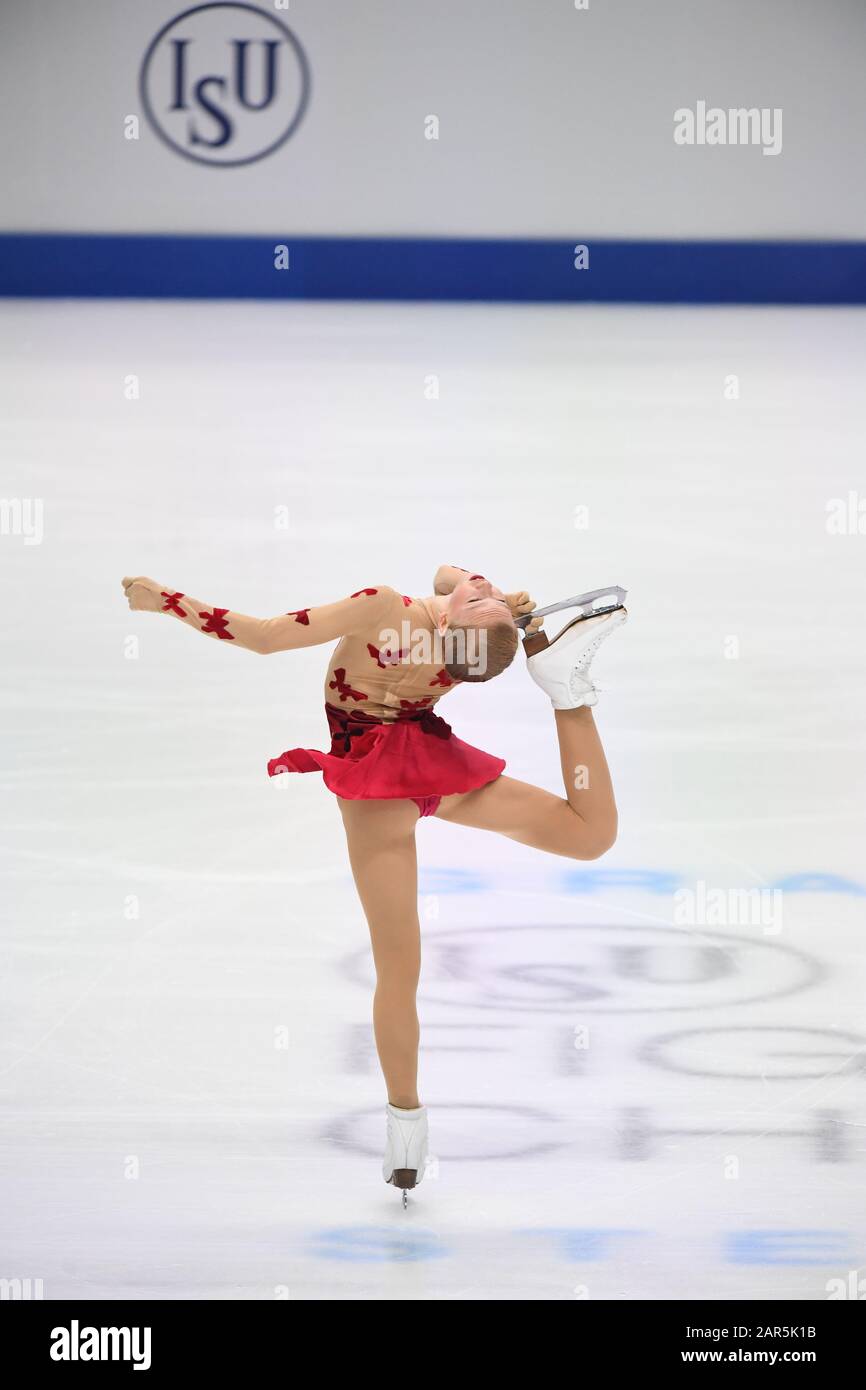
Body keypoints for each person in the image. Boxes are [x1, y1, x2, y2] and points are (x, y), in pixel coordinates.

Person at [122, 563, 626, 1204]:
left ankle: (566, 693)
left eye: (488, 601)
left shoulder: (389, 608)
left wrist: (163, 600)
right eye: (486, 595)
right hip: (394, 779)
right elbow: (447, 578)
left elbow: (267, 636)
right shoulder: (437, 610)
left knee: (590, 835)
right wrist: (491, 603)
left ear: (449, 626)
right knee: (402, 965)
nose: (489, 590)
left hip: (406, 773)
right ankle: (406, 1122)